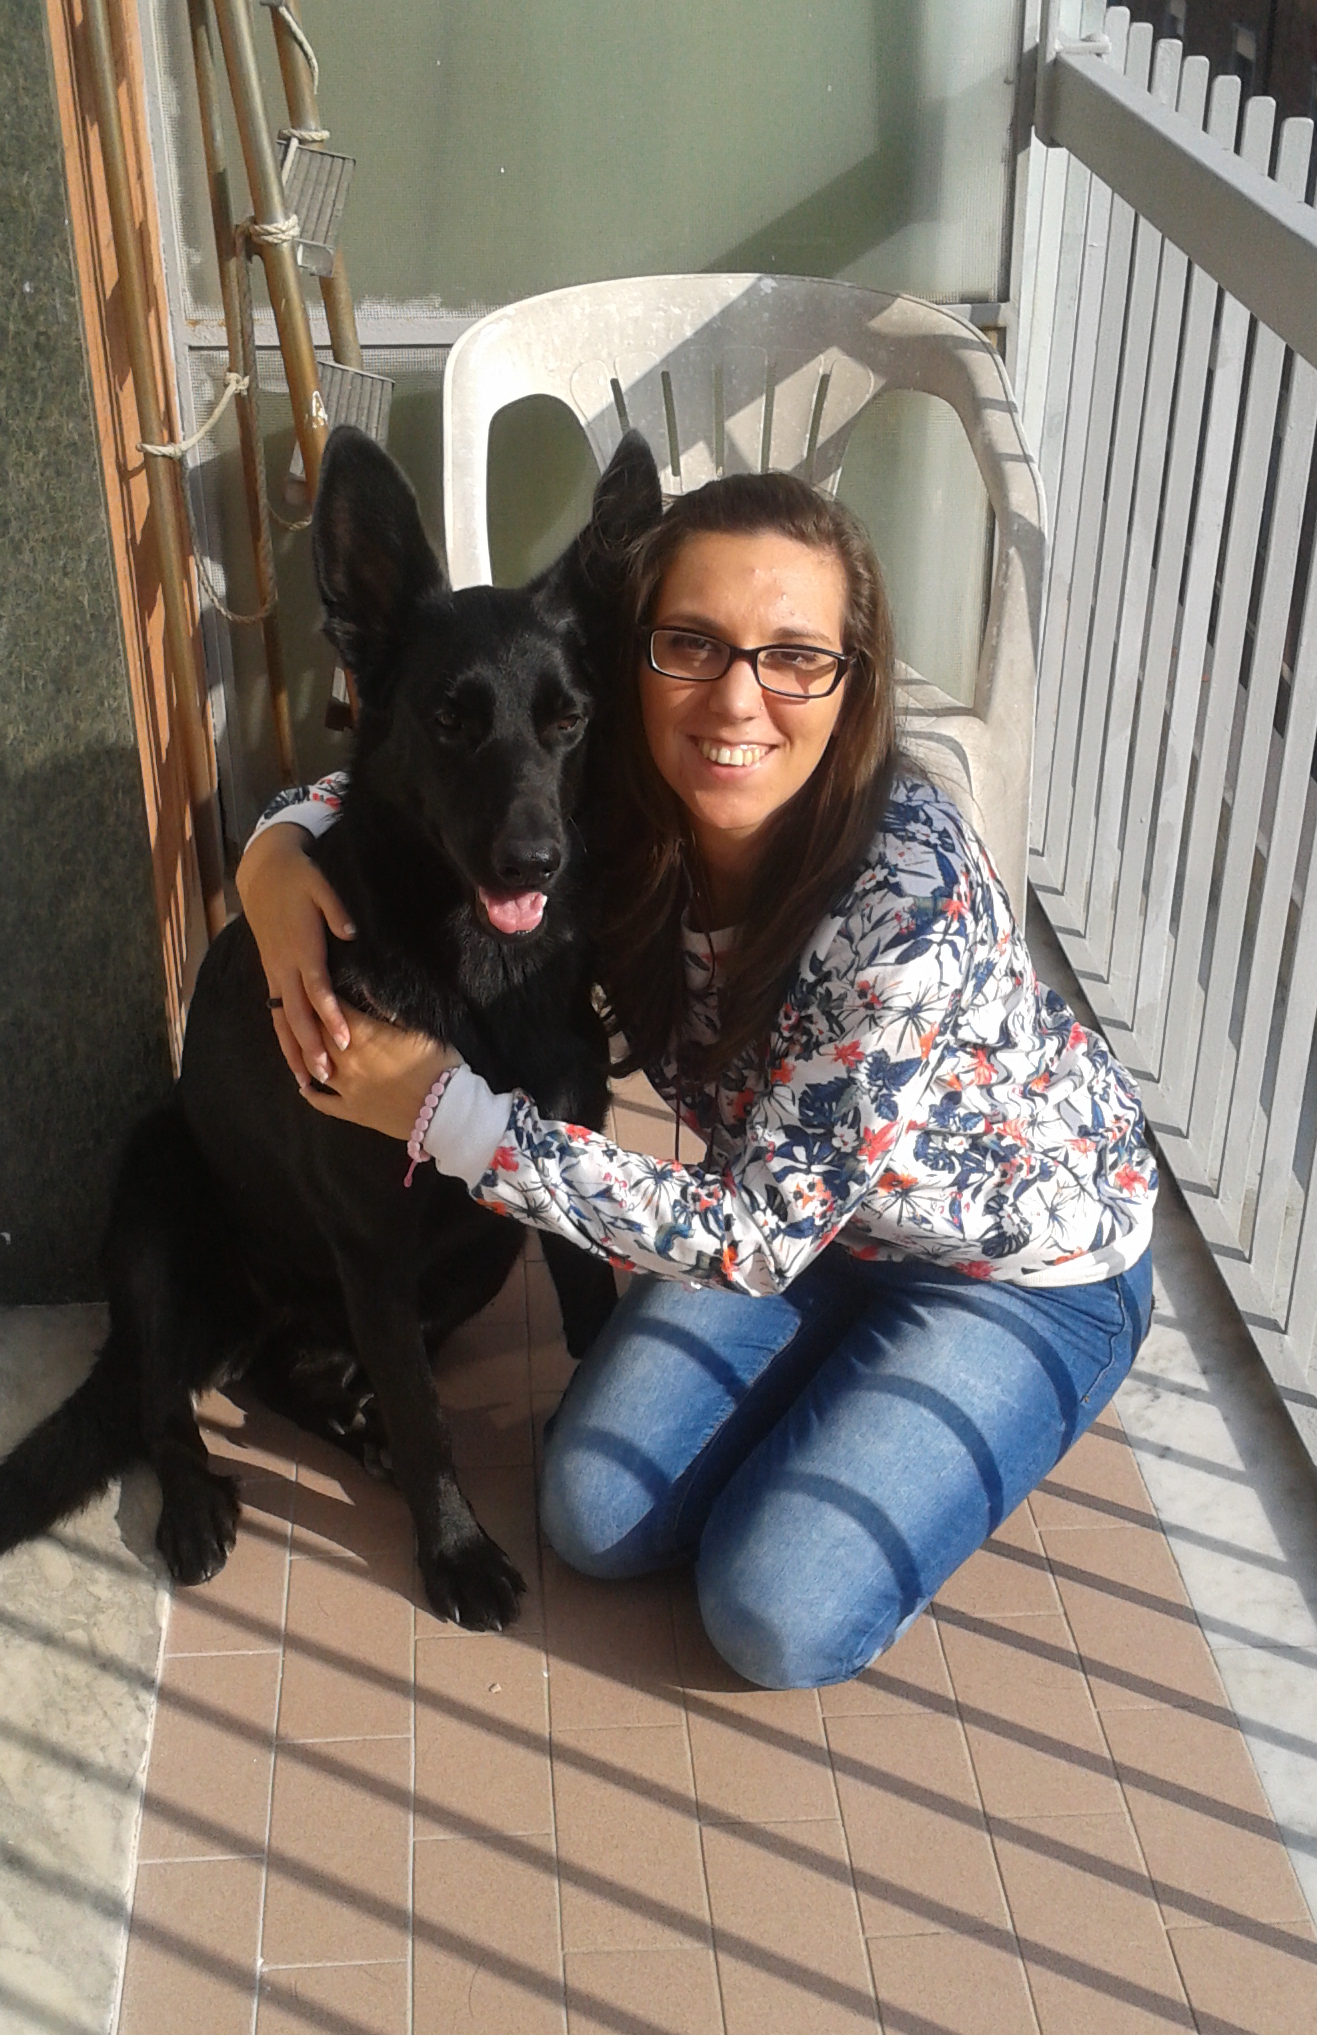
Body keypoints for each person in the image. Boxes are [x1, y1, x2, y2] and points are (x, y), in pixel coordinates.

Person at [237, 469, 1155, 1690]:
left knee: (771, 1610)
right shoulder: (636, 815)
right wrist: (273, 853)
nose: (736, 698)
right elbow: (424, 750)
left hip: (1013, 1269)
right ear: (637, 656)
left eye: (794, 657)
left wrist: (441, 1113)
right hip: (813, 1231)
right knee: (590, 1508)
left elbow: (752, 1239)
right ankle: (840, 1388)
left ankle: (947, 1404)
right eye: (695, 644)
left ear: (853, 681)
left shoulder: (910, 911)